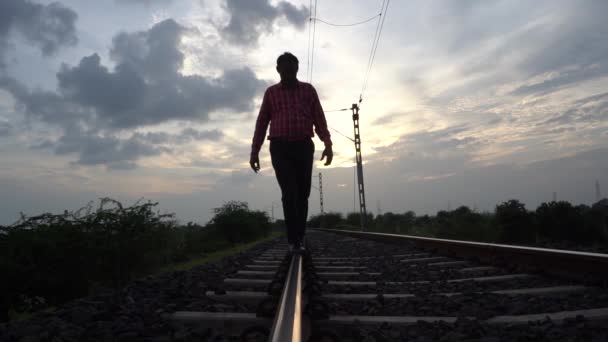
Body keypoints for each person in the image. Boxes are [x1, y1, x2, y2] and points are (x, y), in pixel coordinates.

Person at [249, 52, 333, 251]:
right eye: (283, 68)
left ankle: (300, 235)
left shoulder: (308, 90)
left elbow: (319, 118)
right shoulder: (271, 93)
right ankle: (293, 240)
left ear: (297, 69)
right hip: (280, 147)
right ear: (278, 70)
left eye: (291, 68)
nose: (287, 71)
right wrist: (254, 151)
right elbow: (261, 122)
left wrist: (327, 144)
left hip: (304, 146)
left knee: (303, 193)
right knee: (289, 192)